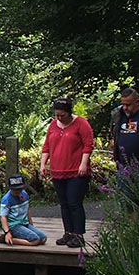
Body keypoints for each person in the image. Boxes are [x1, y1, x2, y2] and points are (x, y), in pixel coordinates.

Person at [38, 96, 94, 247]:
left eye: (62, 115)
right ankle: (68, 233)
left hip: (76, 171)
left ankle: (78, 235)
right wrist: (43, 164)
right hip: (57, 171)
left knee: (74, 202)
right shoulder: (53, 125)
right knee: (64, 204)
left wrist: (83, 164)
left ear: (69, 112)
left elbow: (88, 145)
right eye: (57, 115)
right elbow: (46, 147)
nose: (59, 118)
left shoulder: (81, 124)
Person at [0, 173, 47, 246]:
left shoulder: (24, 194)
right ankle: (9, 239)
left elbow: (27, 210)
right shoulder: (6, 200)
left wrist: (31, 224)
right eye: (15, 189)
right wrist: (7, 232)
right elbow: (3, 217)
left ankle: (17, 236)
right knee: (35, 240)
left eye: (20, 189)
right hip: (14, 226)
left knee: (43, 238)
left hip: (24, 223)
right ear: (11, 188)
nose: (18, 191)